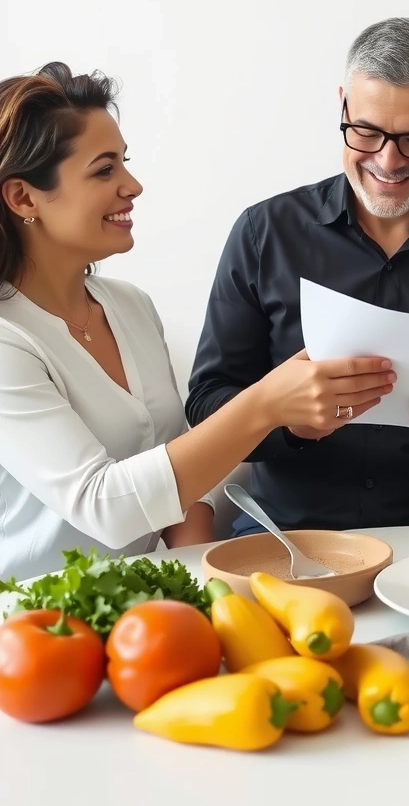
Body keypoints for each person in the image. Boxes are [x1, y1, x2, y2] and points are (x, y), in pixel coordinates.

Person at [0, 64, 387, 578]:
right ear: (24, 197)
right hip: (32, 618)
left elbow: (179, 460)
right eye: (104, 170)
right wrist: (266, 403)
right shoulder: (10, 341)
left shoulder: (130, 307)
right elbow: (105, 507)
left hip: (140, 607)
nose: (132, 185)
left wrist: (201, 578)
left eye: (125, 163)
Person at [185, 18, 409, 534]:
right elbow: (206, 404)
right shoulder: (263, 234)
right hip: (286, 538)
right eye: (366, 132)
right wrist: (285, 419)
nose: (387, 160)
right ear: (342, 108)